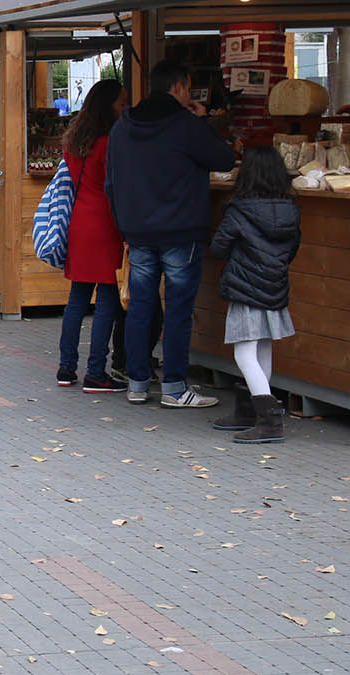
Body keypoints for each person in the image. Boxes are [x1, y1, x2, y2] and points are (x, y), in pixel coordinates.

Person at [106, 59, 236, 408]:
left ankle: (136, 382)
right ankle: (175, 388)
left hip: (138, 232)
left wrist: (124, 225)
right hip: (181, 230)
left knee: (140, 307)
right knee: (178, 309)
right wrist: (202, 120)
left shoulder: (122, 127)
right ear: (179, 87)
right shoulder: (185, 126)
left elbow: (110, 183)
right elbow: (224, 159)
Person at [210, 147, 300, 443]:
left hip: (246, 286)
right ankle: (250, 411)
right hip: (275, 284)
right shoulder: (291, 209)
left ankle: (269, 420)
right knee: (263, 348)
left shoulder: (239, 210)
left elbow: (218, 247)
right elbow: (292, 250)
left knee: (244, 353)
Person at [56, 79, 129, 393]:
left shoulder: (74, 142)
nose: (125, 108)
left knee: (77, 300)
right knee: (108, 301)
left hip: (80, 221)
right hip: (106, 224)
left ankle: (66, 367)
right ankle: (96, 371)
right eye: (121, 102)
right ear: (109, 105)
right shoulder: (111, 142)